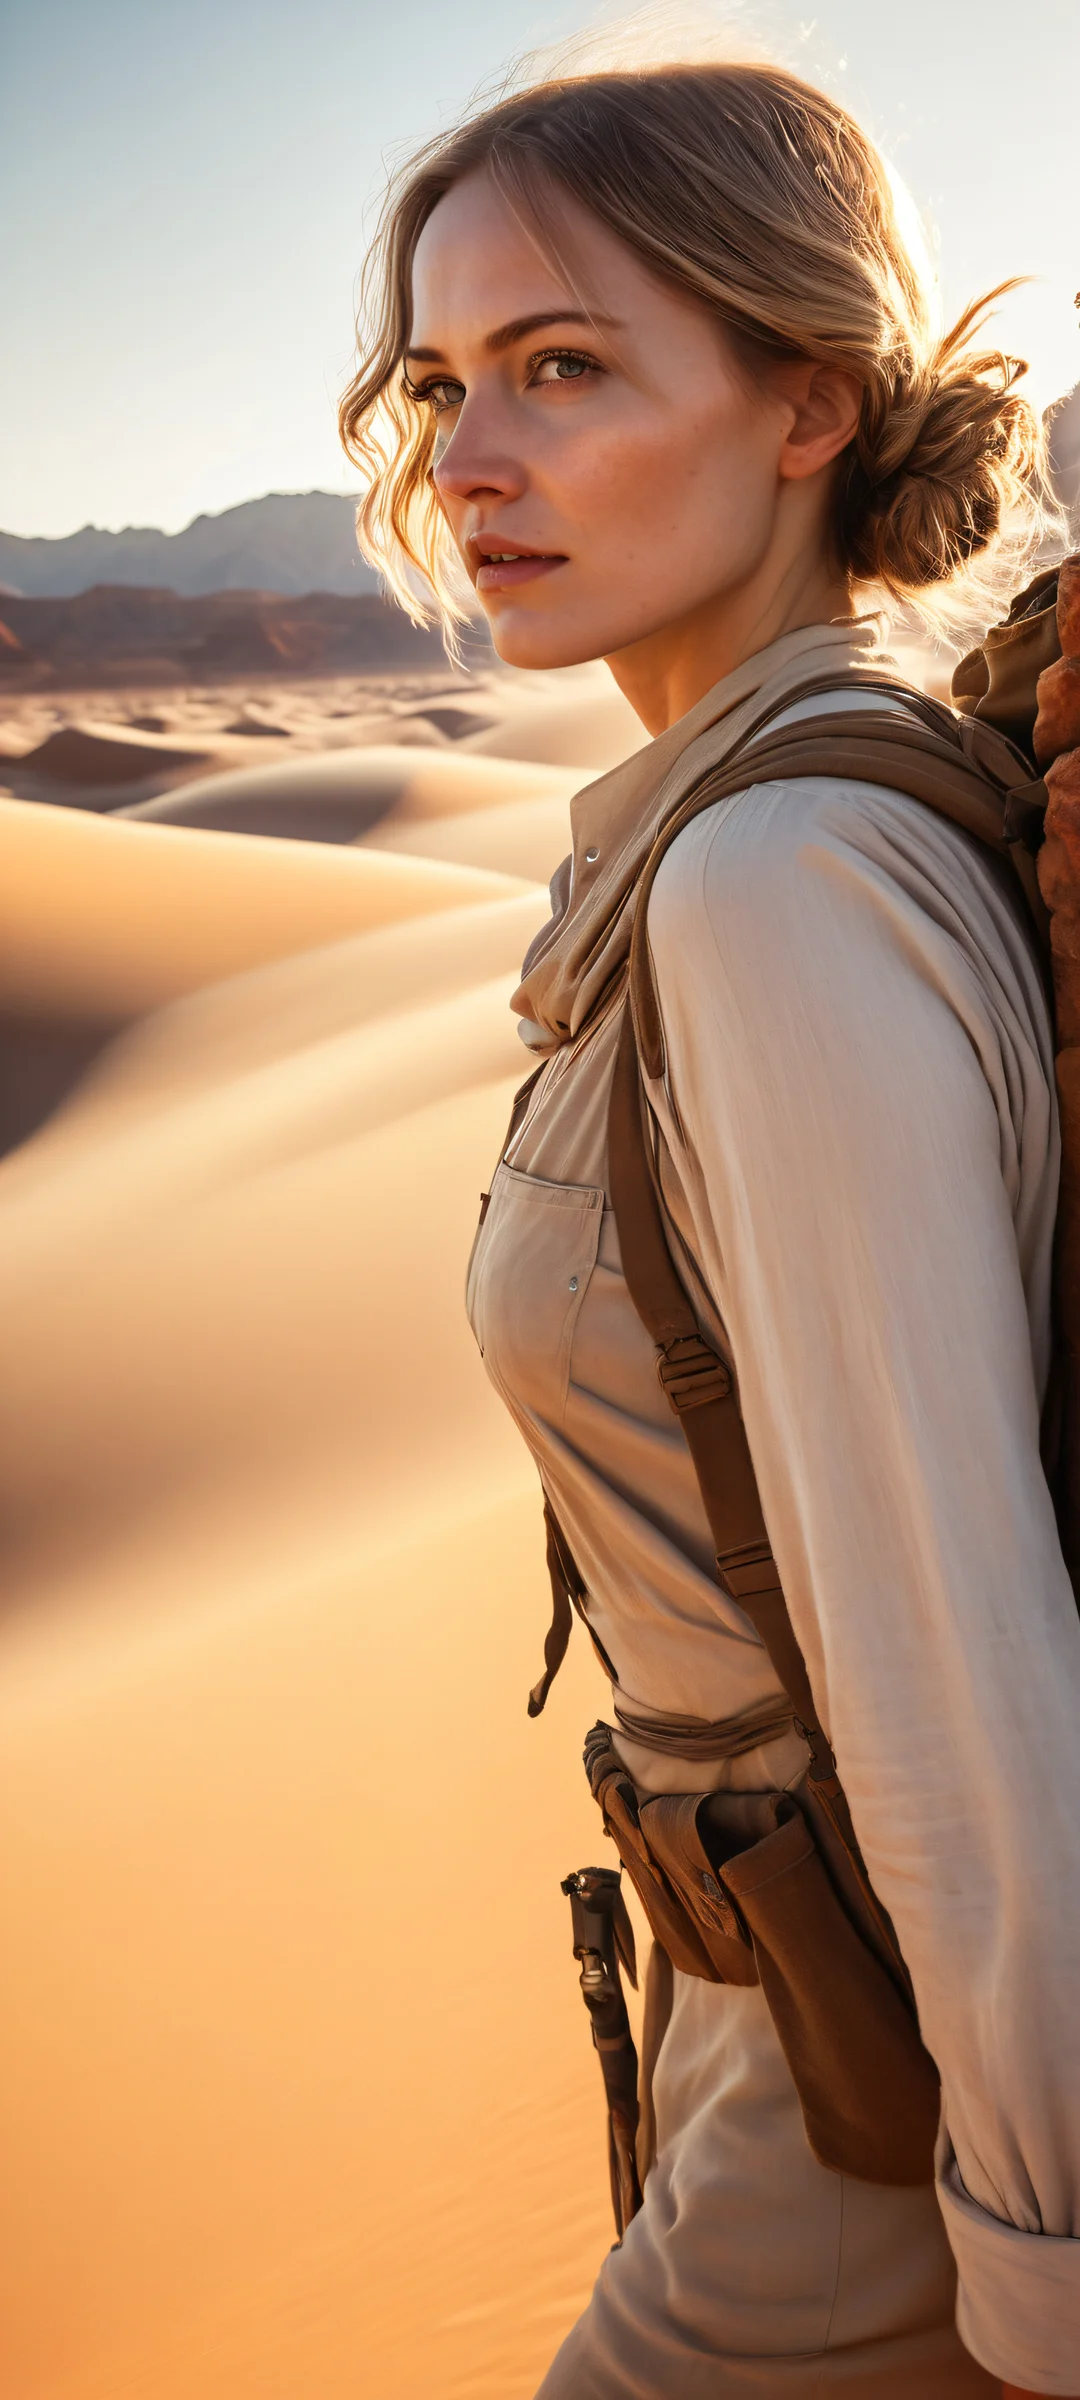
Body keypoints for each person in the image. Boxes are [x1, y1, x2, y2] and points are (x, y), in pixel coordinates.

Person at [339, 56, 1080, 2400]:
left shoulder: (780, 887)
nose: (471, 460)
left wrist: (1054, 2274)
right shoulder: (735, 831)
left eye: (566, 368)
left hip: (874, 2163)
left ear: (804, 402)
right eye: (448, 383)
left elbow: (961, 1685)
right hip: (753, 2044)